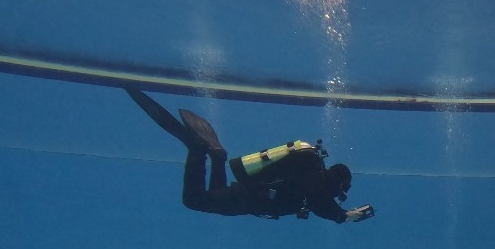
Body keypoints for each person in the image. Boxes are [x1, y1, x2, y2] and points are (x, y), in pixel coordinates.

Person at [126, 89, 373, 223]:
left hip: (247, 195)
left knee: (216, 192)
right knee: (194, 200)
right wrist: (344, 216)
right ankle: (197, 150)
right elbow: (323, 207)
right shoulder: (316, 183)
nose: (339, 194)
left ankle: (217, 157)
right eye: (342, 189)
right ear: (338, 182)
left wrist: (342, 213)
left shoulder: (312, 173)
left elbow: (321, 203)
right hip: (248, 200)